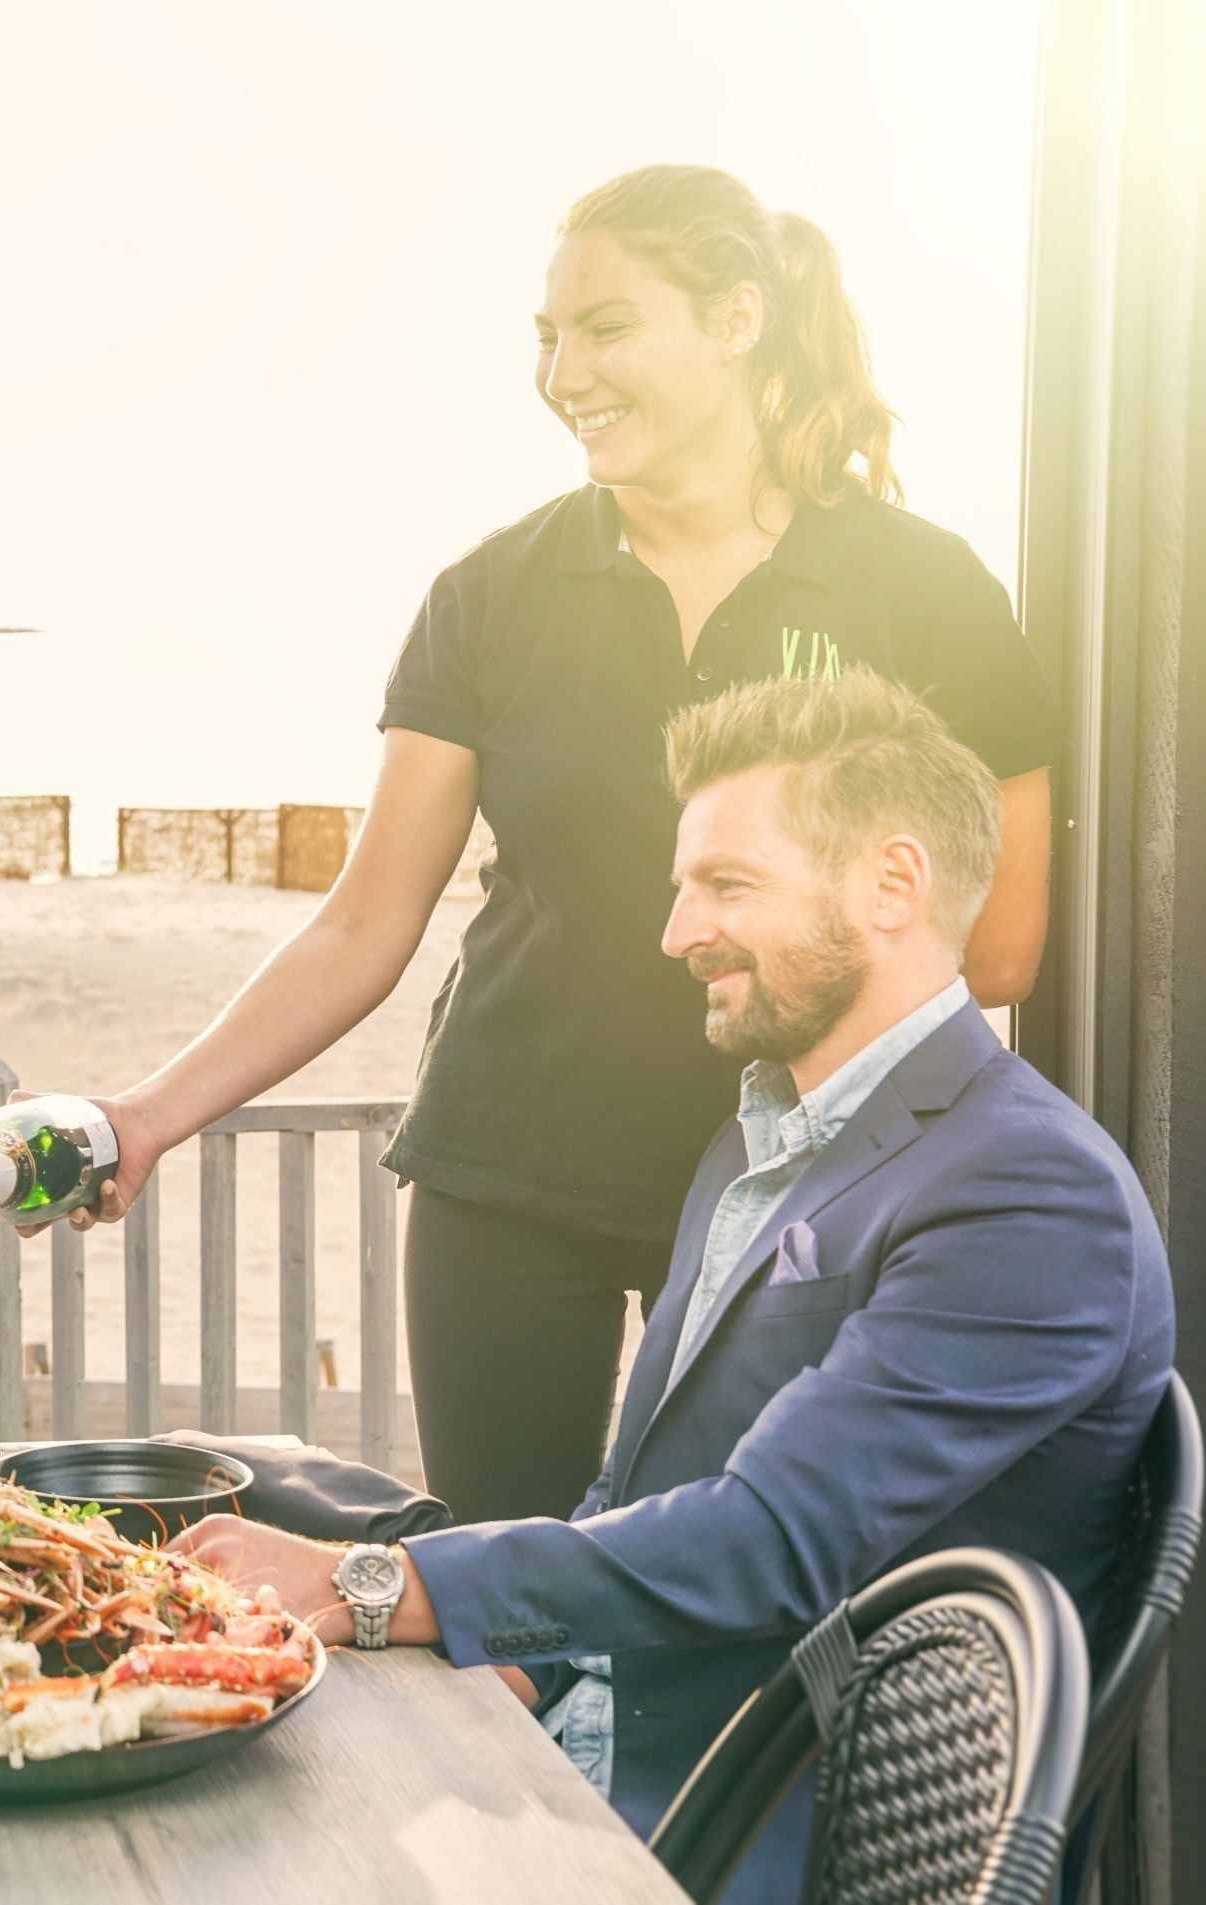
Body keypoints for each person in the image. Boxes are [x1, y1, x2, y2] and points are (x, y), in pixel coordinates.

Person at [37, 164, 1061, 1526]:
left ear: (738, 319)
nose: (563, 370)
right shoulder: (493, 594)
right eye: (547, 335)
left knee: (753, 1599)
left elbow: (997, 947)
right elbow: (365, 921)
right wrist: (143, 1116)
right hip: (508, 1183)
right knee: (497, 1611)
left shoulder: (925, 592)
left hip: (803, 1196)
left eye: (607, 326)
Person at [170, 673, 1172, 1904]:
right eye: (683, 885)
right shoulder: (761, 1137)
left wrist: (375, 1587)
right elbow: (638, 1490)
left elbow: (773, 1541)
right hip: (594, 1735)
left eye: (728, 885)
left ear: (893, 885)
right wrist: (520, 1656)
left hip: (738, 1830)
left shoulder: (1026, 1191)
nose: (678, 932)